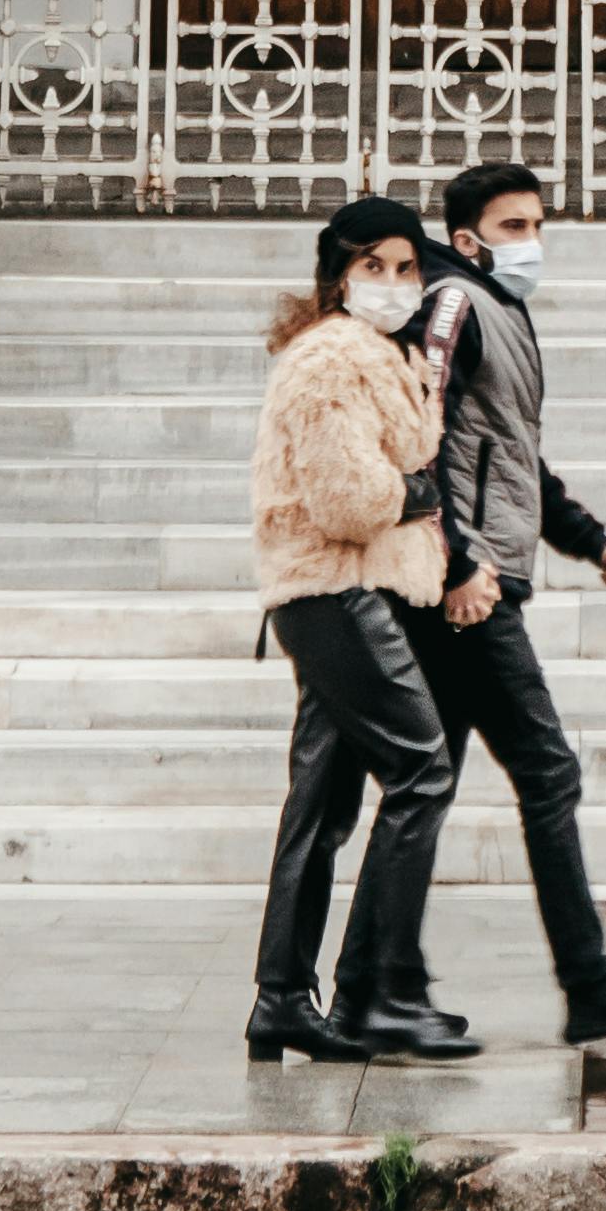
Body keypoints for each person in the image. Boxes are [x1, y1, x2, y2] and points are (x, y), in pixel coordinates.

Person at [412, 159, 606, 1050]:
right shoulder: (456, 304)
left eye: (538, 224)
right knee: (546, 771)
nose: (531, 242)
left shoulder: (499, 308)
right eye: (513, 227)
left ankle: (379, 983)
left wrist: (583, 535)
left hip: (484, 575)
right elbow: (417, 436)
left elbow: (513, 458)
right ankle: (590, 984)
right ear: (467, 240)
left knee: (428, 789)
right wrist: (461, 561)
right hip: (470, 588)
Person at [245, 193, 483, 1066]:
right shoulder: (333, 359)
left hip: (337, 589)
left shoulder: (375, 353)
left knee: (324, 802)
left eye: (406, 267)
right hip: (336, 586)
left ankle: (287, 1000)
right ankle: (373, 994)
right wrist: (418, 498)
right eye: (371, 267)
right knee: (421, 771)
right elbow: (352, 501)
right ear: (338, 274)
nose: (391, 283)